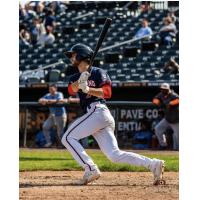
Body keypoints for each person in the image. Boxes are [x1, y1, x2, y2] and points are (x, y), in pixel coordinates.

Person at [61, 43, 166, 185]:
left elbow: (107, 93)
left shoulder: (99, 72)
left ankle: (90, 168)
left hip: (98, 111)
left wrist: (88, 89)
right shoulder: (74, 76)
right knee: (114, 155)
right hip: (95, 116)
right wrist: (80, 82)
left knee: (67, 137)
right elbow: (71, 90)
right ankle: (153, 164)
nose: (71, 57)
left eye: (73, 55)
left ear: (81, 55)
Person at [152, 83, 179, 150]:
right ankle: (163, 145)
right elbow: (155, 99)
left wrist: (170, 103)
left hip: (176, 119)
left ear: (168, 89)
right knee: (158, 129)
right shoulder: (161, 94)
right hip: (167, 118)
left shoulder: (173, 95)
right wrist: (158, 102)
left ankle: (177, 150)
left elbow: (178, 100)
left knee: (177, 136)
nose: (163, 91)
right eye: (162, 89)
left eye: (165, 89)